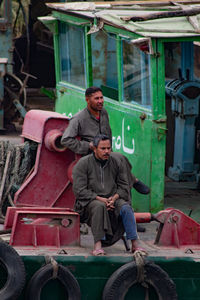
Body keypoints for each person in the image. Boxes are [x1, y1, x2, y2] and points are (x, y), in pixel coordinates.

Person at [61, 86, 150, 195]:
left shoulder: (103, 113)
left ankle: (130, 186)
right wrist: (88, 146)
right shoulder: (78, 118)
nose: (100, 101)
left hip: (106, 152)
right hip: (91, 155)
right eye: (96, 99)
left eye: (101, 98)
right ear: (87, 100)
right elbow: (66, 140)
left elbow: (108, 133)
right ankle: (134, 181)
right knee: (119, 158)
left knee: (120, 161)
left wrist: (108, 149)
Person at [72, 134, 145, 255]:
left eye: (108, 148)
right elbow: (79, 190)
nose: (106, 151)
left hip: (113, 199)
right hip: (90, 202)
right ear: (94, 149)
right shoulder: (83, 164)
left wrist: (114, 198)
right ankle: (97, 245)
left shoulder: (116, 162)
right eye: (103, 148)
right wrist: (100, 199)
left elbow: (124, 187)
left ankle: (135, 243)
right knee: (99, 207)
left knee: (126, 208)